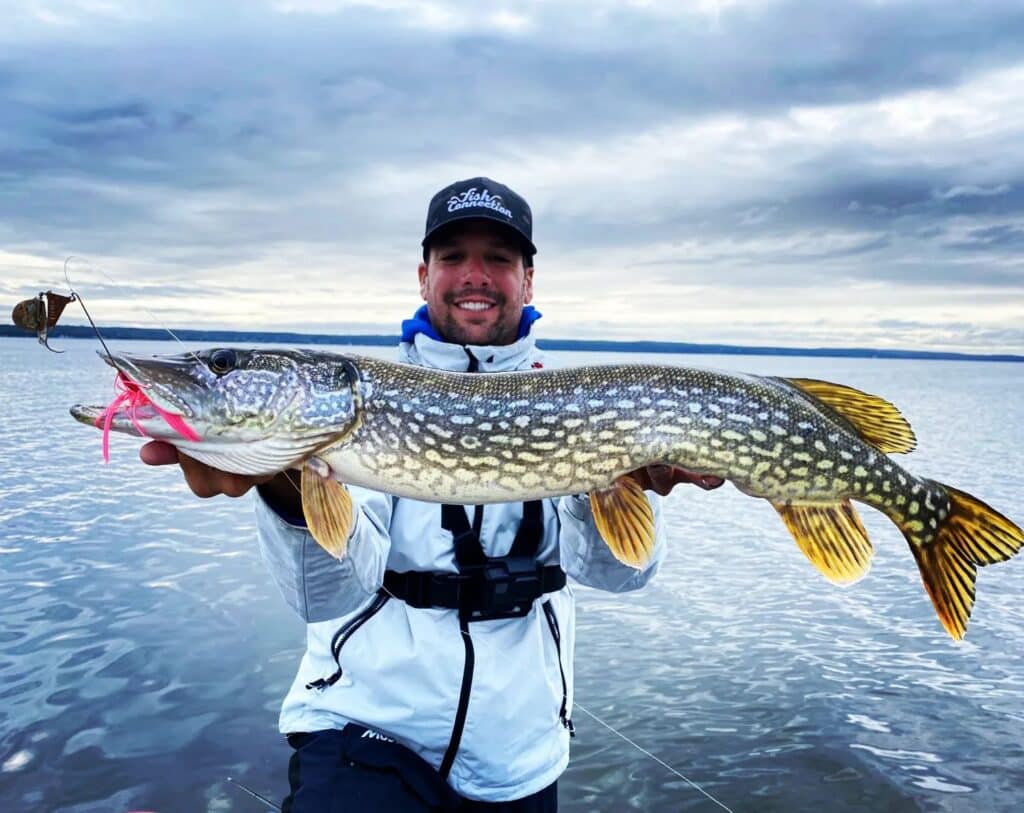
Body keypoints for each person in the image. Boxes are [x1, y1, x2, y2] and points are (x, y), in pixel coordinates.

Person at [141, 177, 720, 811]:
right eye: (453, 258)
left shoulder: (584, 404)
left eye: (498, 258)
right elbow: (324, 594)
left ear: (528, 281)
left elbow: (622, 575)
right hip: (365, 733)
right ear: (424, 276)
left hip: (519, 753)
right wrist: (285, 490)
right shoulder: (369, 402)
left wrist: (619, 474)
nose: (475, 275)